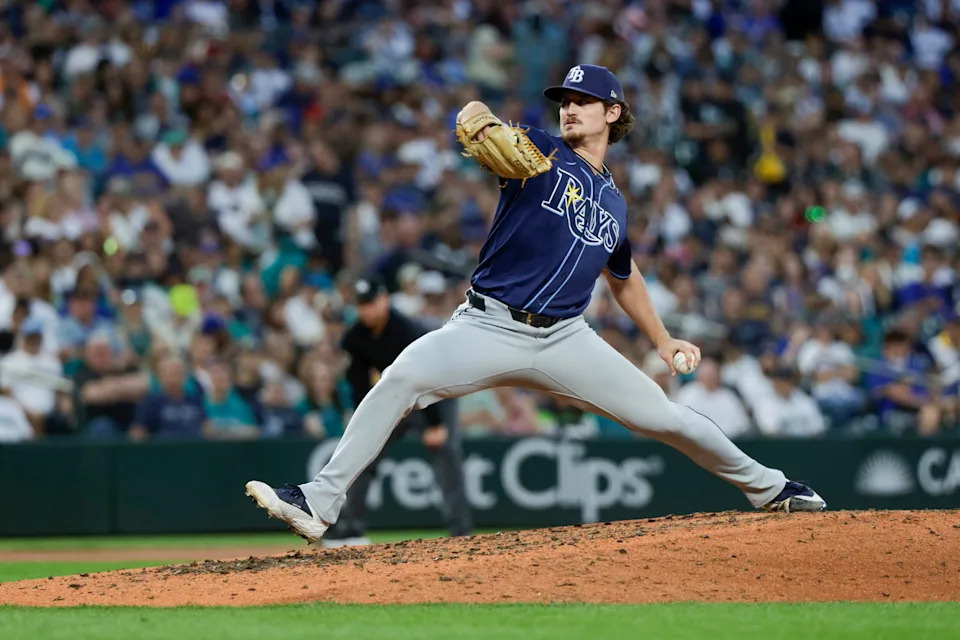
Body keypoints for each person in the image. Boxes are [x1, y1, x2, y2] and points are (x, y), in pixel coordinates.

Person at [246, 64, 826, 544]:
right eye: (565, 101)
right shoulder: (541, 149)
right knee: (401, 377)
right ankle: (320, 502)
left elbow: (623, 276)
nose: (570, 109)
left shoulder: (616, 203)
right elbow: (473, 115)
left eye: (584, 101)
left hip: (565, 338)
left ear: (613, 113)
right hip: (487, 323)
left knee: (666, 417)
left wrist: (662, 339)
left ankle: (772, 488)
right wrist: (479, 123)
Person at [319, 276, 472, 547]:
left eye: (370, 303)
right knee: (362, 453)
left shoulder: (406, 330)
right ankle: (349, 527)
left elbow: (430, 375)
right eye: (361, 304)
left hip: (435, 395)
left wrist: (435, 424)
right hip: (398, 400)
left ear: (384, 300)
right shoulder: (355, 337)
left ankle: (460, 531)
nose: (366, 309)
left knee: (447, 452)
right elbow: (358, 382)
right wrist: (362, 423)